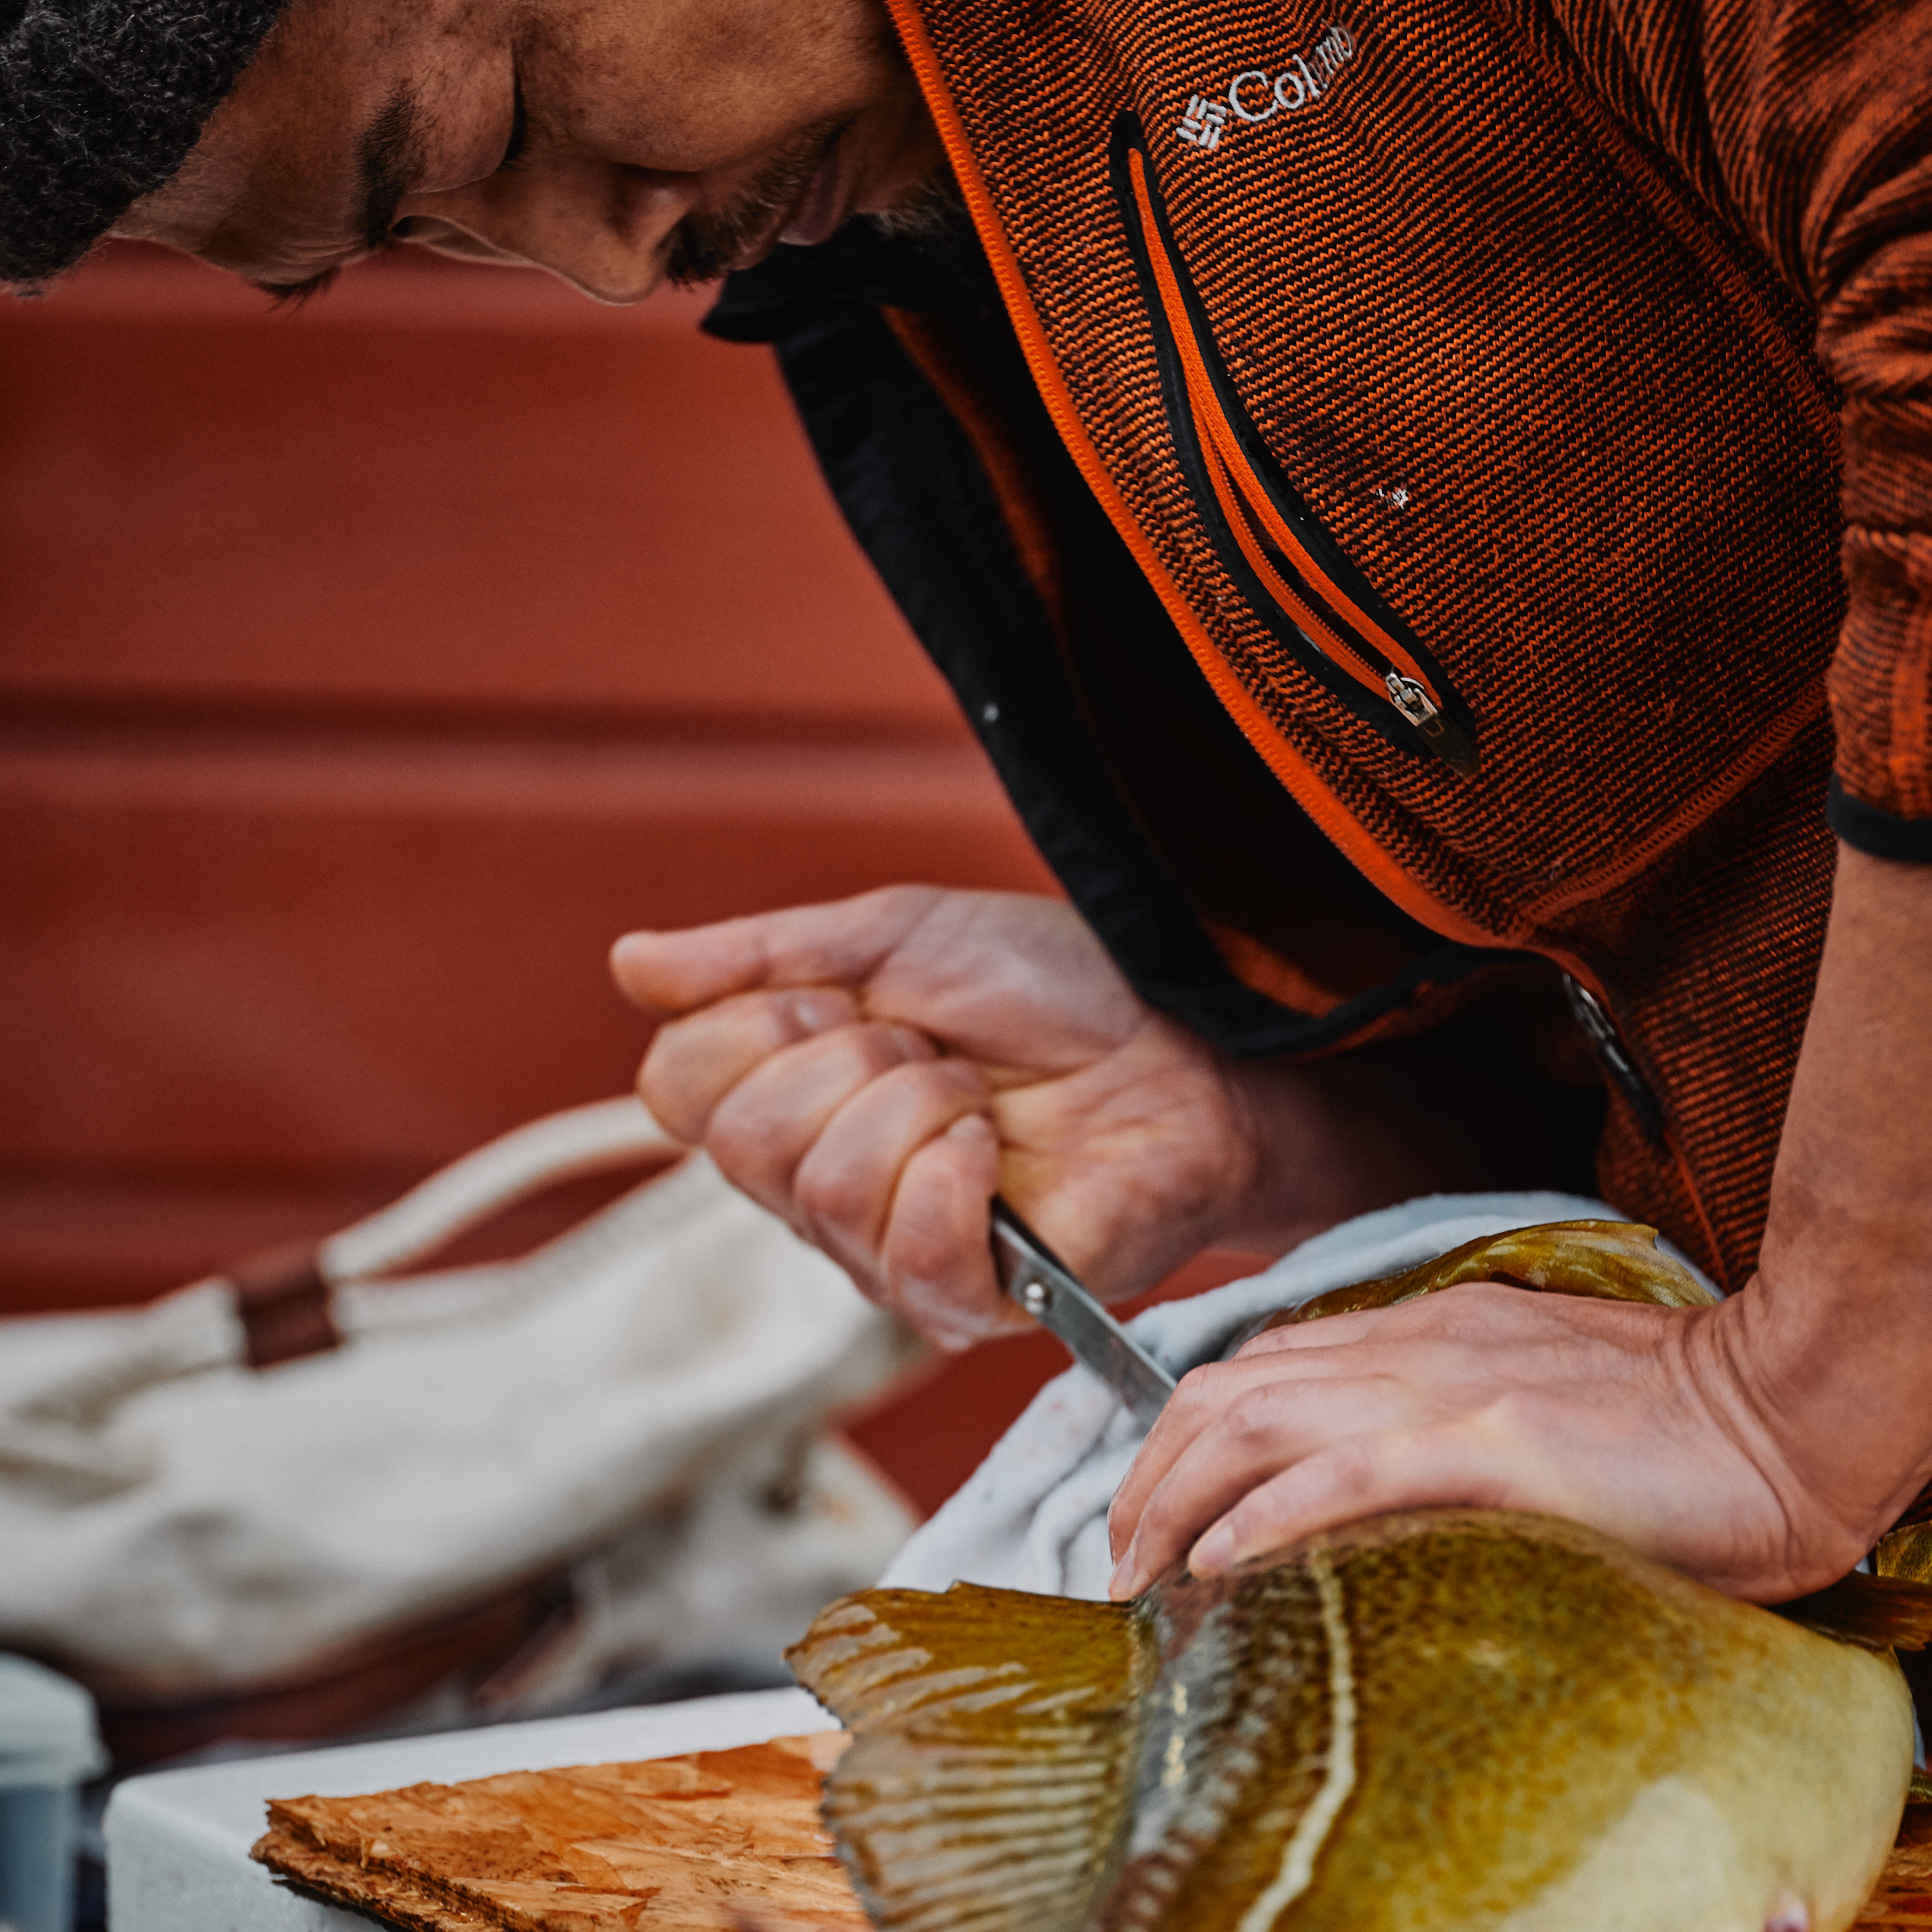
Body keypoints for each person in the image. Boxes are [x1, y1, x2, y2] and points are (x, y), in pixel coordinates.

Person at [8, 0, 1929, 1608]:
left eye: (499, 118)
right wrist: (1310, 1097)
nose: (599, 264)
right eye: (420, 231)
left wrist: (1811, 1387)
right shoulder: (890, 195)